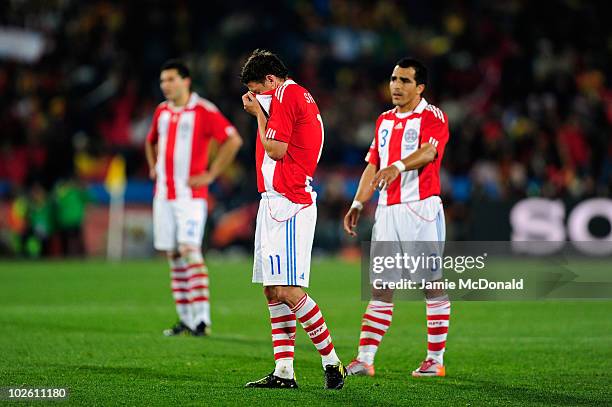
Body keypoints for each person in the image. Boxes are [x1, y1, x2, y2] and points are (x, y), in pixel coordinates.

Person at [240, 49, 346, 390]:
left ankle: (331, 361)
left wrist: (258, 113)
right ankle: (284, 371)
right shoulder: (289, 95)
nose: (255, 96)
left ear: (271, 80)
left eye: (257, 89)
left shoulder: (287, 96)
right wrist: (262, 107)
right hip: (273, 201)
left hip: (290, 203)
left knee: (288, 289)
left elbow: (276, 149)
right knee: (272, 290)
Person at [343, 58, 451, 377]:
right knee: (381, 287)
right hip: (388, 212)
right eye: (393, 79)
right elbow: (373, 165)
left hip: (420, 209)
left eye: (404, 80)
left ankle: (435, 360)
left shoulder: (432, 116)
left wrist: (399, 167)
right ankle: (365, 359)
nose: (396, 86)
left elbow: (429, 152)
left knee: (430, 284)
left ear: (420, 87)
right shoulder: (384, 120)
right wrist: (358, 203)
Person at [145, 59, 243, 337]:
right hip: (163, 195)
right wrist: (153, 166)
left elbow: (233, 140)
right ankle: (186, 319)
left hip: (191, 196)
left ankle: (202, 319)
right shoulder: (161, 112)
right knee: (174, 255)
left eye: (171, 79)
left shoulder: (203, 110)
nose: (165, 85)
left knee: (190, 251)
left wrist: (211, 174)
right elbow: (150, 140)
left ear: (186, 81)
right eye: (163, 80)